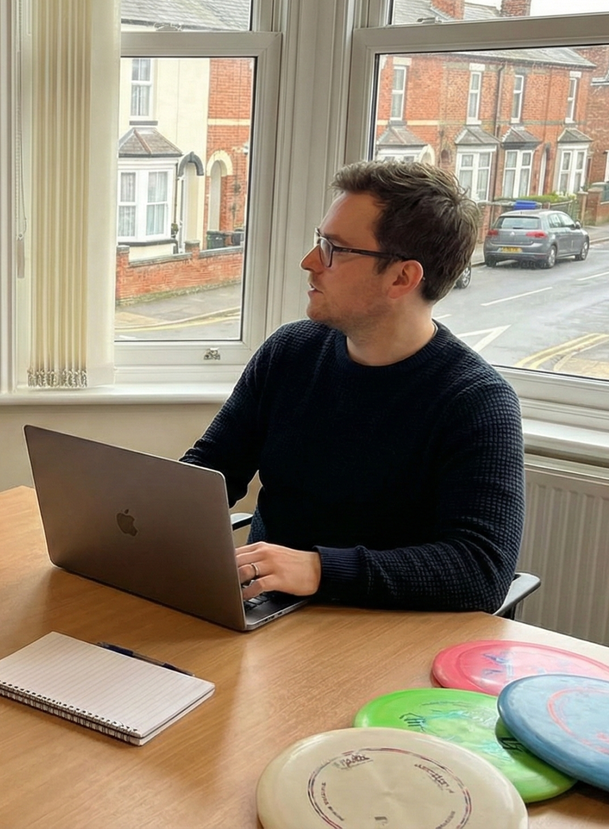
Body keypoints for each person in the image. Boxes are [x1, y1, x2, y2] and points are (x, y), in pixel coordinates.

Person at [182, 160, 525, 612]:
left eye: (334, 249)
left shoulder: (477, 402)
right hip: (263, 612)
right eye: (317, 240)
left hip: (379, 634)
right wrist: (140, 517)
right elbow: (211, 470)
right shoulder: (290, 352)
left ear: (402, 277)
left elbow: (481, 570)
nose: (309, 262)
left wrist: (318, 569)